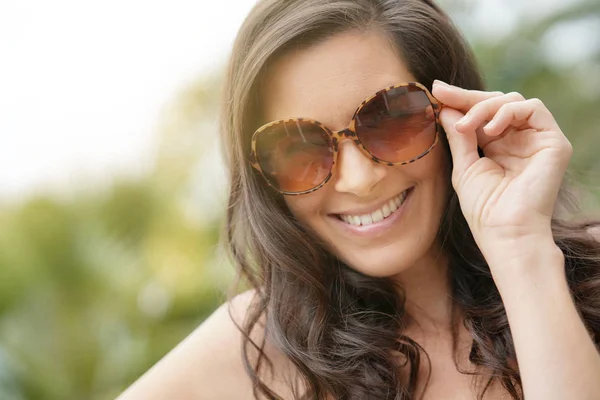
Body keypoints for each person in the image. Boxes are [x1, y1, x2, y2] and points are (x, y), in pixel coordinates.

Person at [118, 0, 600, 399]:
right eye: (298, 148)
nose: (360, 179)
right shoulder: (252, 349)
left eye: (391, 118)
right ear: (260, 174)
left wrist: (521, 250)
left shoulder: (583, 278)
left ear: (454, 109)